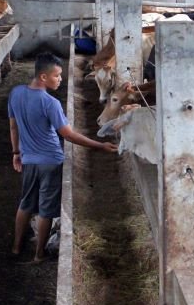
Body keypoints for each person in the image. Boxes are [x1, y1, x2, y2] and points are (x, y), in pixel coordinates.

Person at [8, 52, 117, 262]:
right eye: (57, 76)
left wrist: (16, 153)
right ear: (43, 77)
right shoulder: (50, 103)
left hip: (29, 160)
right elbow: (68, 134)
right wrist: (99, 145)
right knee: (46, 210)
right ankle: (39, 253)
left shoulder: (16, 93)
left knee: (26, 204)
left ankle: (16, 246)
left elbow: (13, 127)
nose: (60, 79)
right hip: (51, 161)